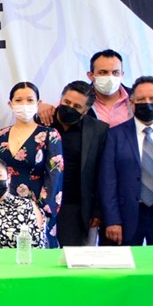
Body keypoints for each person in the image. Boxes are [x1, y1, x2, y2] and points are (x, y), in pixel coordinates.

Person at [0, 82, 64, 247]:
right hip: (4, 205)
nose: (24, 104)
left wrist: (42, 209)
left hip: (37, 205)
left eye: (30, 100)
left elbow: (55, 176)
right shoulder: (1, 135)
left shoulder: (49, 134)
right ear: (10, 104)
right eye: (18, 100)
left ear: (38, 103)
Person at [99, 77, 153, 246]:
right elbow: (107, 181)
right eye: (141, 99)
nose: (147, 103)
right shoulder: (115, 135)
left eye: (152, 98)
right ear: (131, 103)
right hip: (127, 216)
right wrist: (112, 220)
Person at [52, 81, 108, 247]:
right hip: (43, 203)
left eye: (77, 106)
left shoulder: (98, 130)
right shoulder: (43, 122)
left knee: (72, 256)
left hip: (76, 206)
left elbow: (103, 172)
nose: (69, 108)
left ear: (85, 110)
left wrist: (97, 210)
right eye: (67, 102)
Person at [37, 49, 133, 128]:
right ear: (91, 75)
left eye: (115, 72)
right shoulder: (81, 98)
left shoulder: (135, 98)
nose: (110, 77)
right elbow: (55, 110)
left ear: (122, 74)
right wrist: (43, 108)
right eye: (103, 72)